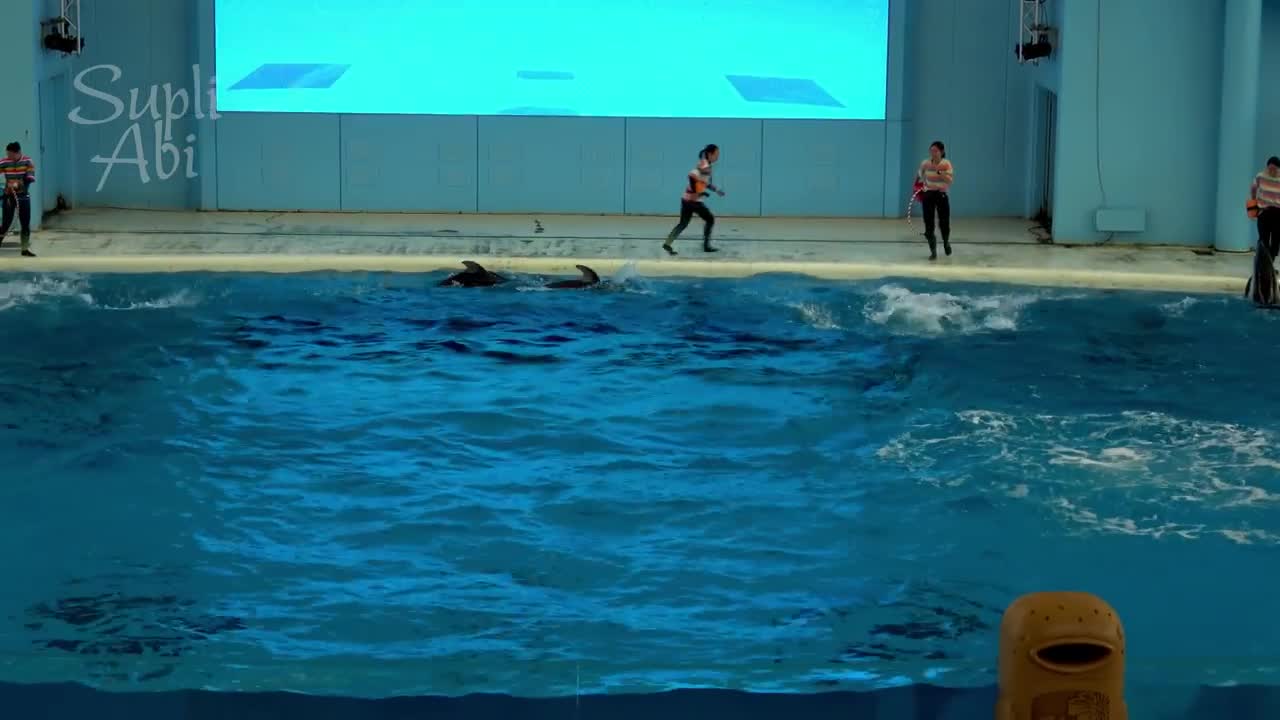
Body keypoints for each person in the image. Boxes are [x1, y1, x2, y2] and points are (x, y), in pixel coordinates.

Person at [663, 144, 725, 255]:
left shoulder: (706, 164)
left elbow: (703, 182)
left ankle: (667, 243)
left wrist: (716, 190)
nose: (718, 157)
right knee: (710, 219)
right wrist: (698, 192)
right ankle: (706, 246)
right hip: (693, 201)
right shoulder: (704, 164)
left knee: (683, 223)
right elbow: (692, 176)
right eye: (716, 154)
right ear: (710, 154)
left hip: (686, 199)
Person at [916, 141, 954, 260]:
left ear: (941, 152)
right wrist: (917, 188)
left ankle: (946, 242)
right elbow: (919, 176)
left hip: (941, 194)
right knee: (928, 224)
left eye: (935, 151)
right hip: (928, 195)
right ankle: (933, 252)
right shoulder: (925, 163)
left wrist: (939, 172)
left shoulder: (946, 163)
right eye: (931, 151)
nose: (933, 153)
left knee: (944, 223)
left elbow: (949, 180)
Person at [0, 141, 36, 257]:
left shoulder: (27, 161)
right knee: (6, 223)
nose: (9, 156)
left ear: (18, 152)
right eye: (8, 154)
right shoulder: (4, 162)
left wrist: (17, 185)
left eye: (10, 154)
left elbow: (30, 178)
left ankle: (25, 249)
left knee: (25, 224)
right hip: (9, 197)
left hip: (23, 197)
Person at [1250, 156, 1280, 260]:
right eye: (1269, 168)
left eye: (1274, 169)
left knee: (1276, 241)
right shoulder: (1260, 176)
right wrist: (1252, 209)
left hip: (1278, 213)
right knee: (1263, 240)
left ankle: (1270, 264)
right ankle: (1261, 266)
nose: (1271, 171)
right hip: (1264, 212)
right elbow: (1253, 189)